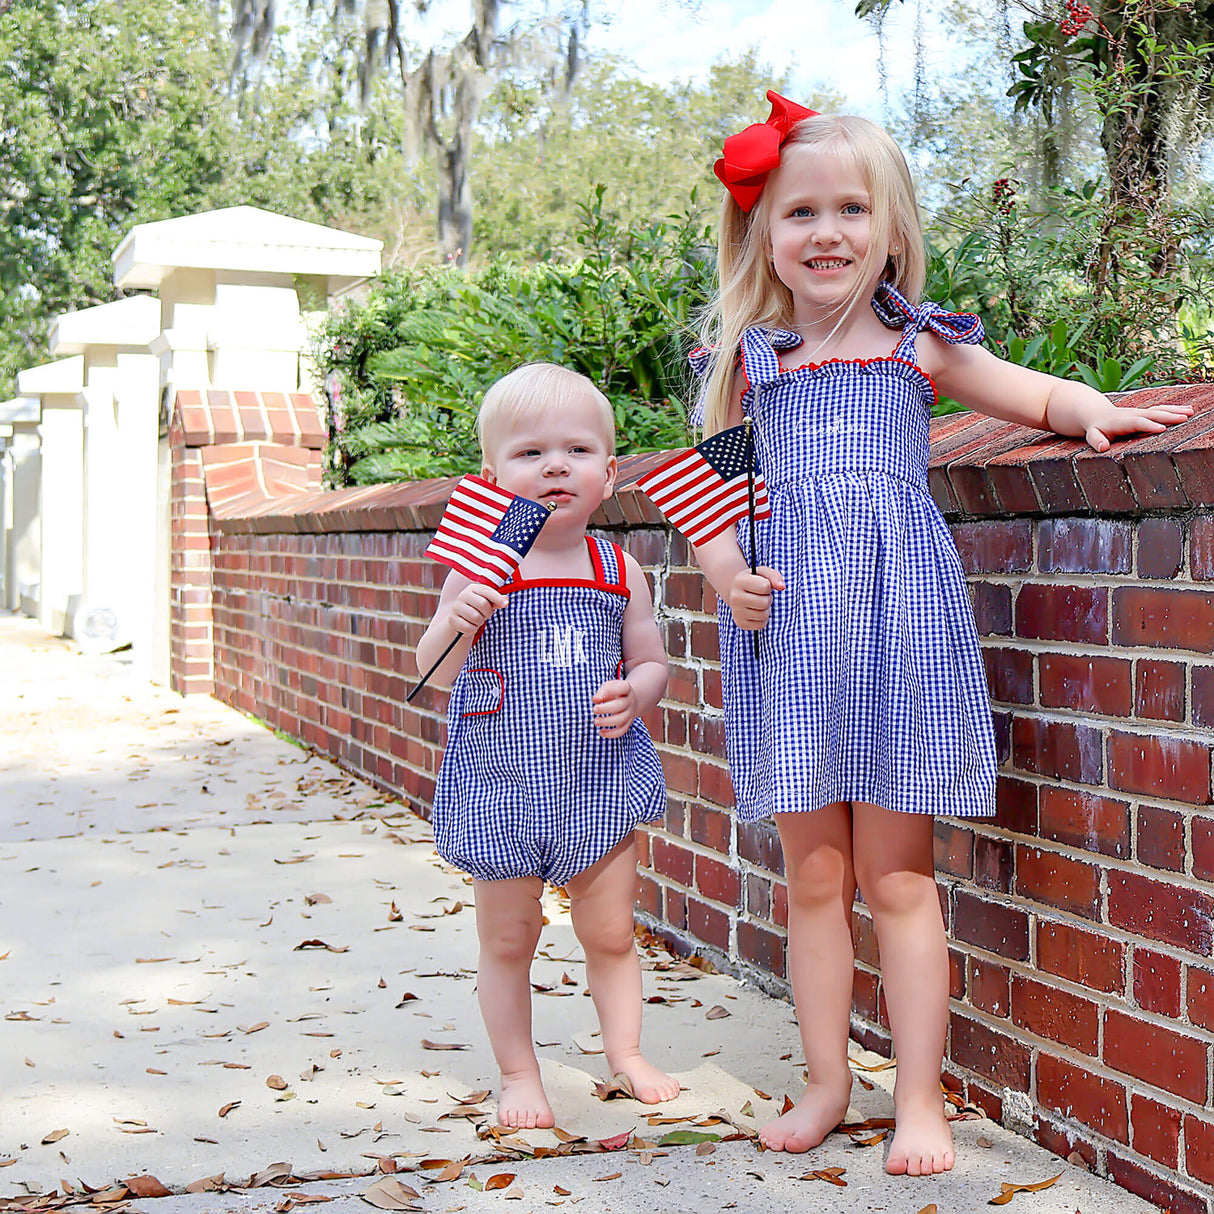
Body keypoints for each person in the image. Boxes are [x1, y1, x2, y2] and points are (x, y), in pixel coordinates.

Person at [689, 92, 1193, 1176]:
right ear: (760, 234)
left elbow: (1030, 396)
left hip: (895, 632)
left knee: (899, 876)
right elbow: (702, 491)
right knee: (812, 875)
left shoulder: (917, 345)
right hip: (790, 638)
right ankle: (827, 1079)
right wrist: (727, 573)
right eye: (798, 213)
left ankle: (918, 1094)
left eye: (849, 210)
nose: (825, 234)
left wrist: (1089, 408)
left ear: (887, 226)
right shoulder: (747, 360)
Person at [415, 362, 679, 1131]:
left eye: (577, 450)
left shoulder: (615, 567)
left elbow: (652, 657)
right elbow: (433, 672)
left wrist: (641, 691)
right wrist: (456, 617)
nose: (556, 465)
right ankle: (518, 1073)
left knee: (608, 931)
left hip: (595, 780)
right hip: (502, 783)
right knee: (508, 936)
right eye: (530, 453)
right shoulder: (483, 568)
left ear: (609, 472)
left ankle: (624, 1054)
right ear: (492, 477)